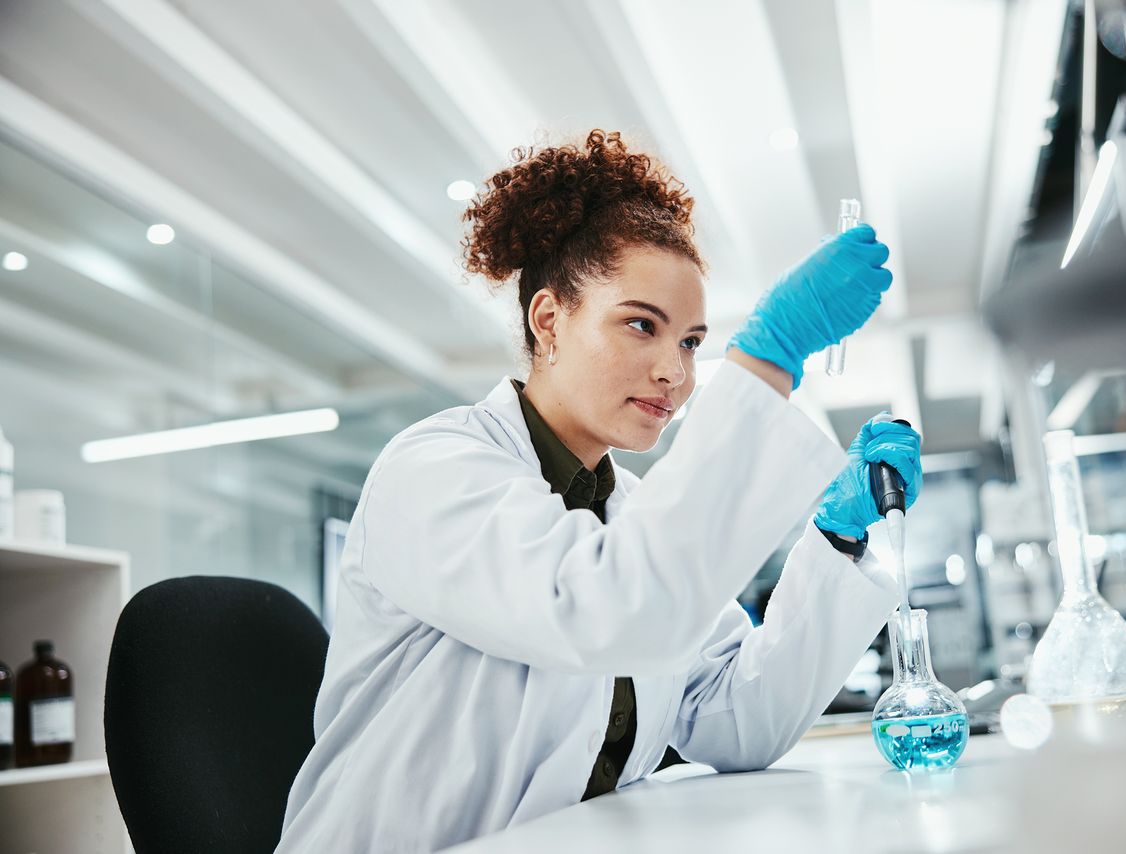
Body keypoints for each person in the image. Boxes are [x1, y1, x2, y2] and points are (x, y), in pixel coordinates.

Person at [275, 130, 922, 853]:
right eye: (642, 325)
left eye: (690, 342)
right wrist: (768, 361)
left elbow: (737, 719)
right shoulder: (432, 470)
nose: (675, 373)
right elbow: (603, 609)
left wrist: (837, 535)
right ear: (548, 320)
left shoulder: (634, 514)